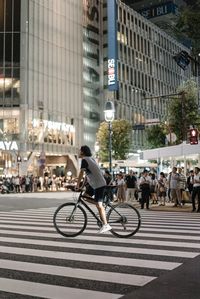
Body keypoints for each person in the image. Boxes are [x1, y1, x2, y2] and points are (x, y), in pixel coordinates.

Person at [76, 145, 112, 233]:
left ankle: (106, 225)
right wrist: (82, 186)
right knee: (85, 196)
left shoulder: (85, 159)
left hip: (99, 184)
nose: (78, 152)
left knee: (99, 205)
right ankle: (101, 205)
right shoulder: (90, 159)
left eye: (79, 151)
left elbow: (81, 173)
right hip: (94, 184)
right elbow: (87, 175)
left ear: (83, 152)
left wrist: (77, 185)